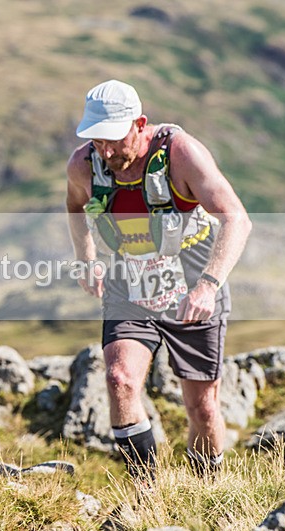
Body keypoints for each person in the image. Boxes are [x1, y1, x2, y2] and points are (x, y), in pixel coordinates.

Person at [66, 79, 252, 481]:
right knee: (119, 378)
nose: (106, 151)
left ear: (140, 124)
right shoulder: (84, 164)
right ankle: (148, 489)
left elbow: (236, 218)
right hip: (128, 285)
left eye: (114, 139)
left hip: (192, 284)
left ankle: (207, 486)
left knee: (201, 406)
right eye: (97, 140)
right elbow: (74, 205)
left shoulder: (181, 154)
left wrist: (208, 285)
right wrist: (87, 259)